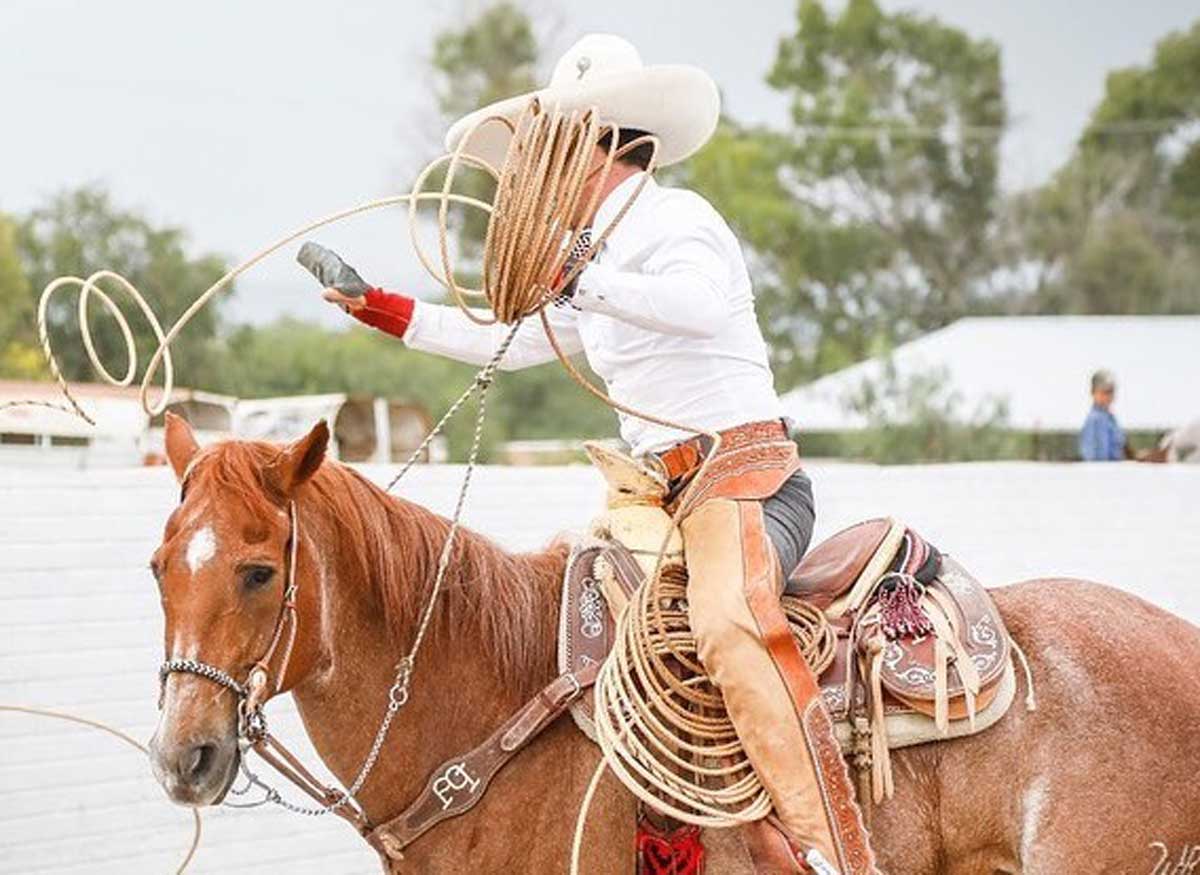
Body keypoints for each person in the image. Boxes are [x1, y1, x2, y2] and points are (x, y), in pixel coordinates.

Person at [320, 34, 873, 874]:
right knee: (583, 637)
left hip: (744, 480)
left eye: (553, 145)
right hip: (661, 499)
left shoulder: (679, 221)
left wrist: (580, 277)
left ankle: (829, 848)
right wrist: (385, 309)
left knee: (728, 630)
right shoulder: (599, 260)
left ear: (599, 144)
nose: (534, 168)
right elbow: (508, 335)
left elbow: (694, 304)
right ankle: (665, 836)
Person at [1079, 370, 1131, 462]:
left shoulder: (1110, 418)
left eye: (1110, 391)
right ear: (1093, 392)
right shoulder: (1096, 420)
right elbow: (1097, 459)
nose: (1108, 396)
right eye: (1104, 392)